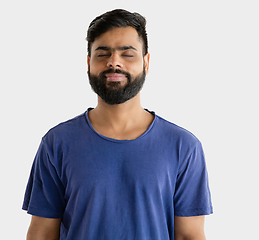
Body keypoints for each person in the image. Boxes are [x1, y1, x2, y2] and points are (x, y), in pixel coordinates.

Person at [22, 9, 213, 240]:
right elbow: (41, 233)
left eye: (127, 54)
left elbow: (189, 235)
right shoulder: (56, 143)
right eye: (103, 54)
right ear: (89, 63)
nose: (114, 62)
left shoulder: (184, 146)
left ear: (146, 62)